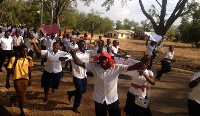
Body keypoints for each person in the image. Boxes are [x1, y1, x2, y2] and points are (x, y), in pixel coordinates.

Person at [69, 50, 150, 116]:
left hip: (113, 101)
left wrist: (142, 63)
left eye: (105, 58)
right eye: (101, 58)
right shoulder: (94, 67)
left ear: (109, 60)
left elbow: (132, 67)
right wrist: (73, 54)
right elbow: (79, 63)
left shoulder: (117, 67)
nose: (103, 60)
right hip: (99, 101)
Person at [31, 37, 69, 103]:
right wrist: (34, 43)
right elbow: (39, 51)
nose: (55, 46)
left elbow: (69, 55)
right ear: (52, 46)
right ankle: (46, 96)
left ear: (59, 47)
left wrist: (66, 58)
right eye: (54, 45)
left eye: (57, 45)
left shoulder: (62, 53)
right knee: (46, 85)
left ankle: (53, 87)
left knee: (55, 84)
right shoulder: (48, 51)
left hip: (57, 72)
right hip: (48, 71)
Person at [66, 40, 98, 114]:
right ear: (78, 46)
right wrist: (63, 58)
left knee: (83, 90)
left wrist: (99, 45)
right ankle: (76, 106)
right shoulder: (75, 53)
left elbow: (96, 51)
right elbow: (66, 57)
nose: (82, 46)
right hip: (76, 75)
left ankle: (70, 93)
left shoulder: (88, 52)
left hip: (84, 75)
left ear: (85, 45)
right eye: (80, 45)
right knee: (80, 91)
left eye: (83, 44)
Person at [5, 45, 33, 116]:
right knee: (21, 95)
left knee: (22, 94)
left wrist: (30, 78)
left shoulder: (29, 59)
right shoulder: (14, 59)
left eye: (26, 51)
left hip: (26, 79)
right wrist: (7, 82)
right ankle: (22, 111)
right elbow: (8, 71)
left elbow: (29, 70)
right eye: (23, 51)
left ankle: (13, 98)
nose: (24, 53)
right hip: (17, 79)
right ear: (19, 51)